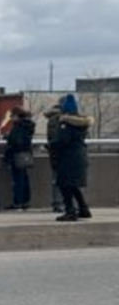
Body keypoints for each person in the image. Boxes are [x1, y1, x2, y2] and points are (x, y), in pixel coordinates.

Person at [51, 94, 93, 222]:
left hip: (68, 159)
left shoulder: (66, 124)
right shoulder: (81, 124)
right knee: (73, 185)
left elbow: (61, 141)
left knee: (64, 185)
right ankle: (83, 209)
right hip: (79, 157)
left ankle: (70, 211)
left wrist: (50, 145)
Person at [3, 107, 35, 211]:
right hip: (25, 155)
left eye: (12, 116)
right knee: (24, 178)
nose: (11, 118)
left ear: (17, 116)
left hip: (17, 155)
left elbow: (17, 141)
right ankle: (25, 201)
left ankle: (18, 202)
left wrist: (9, 138)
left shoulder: (18, 127)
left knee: (18, 180)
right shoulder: (27, 126)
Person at [43, 104, 65, 213]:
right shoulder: (61, 121)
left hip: (55, 154)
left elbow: (52, 138)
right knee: (63, 179)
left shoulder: (52, 121)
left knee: (56, 179)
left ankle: (57, 203)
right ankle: (61, 203)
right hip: (61, 154)